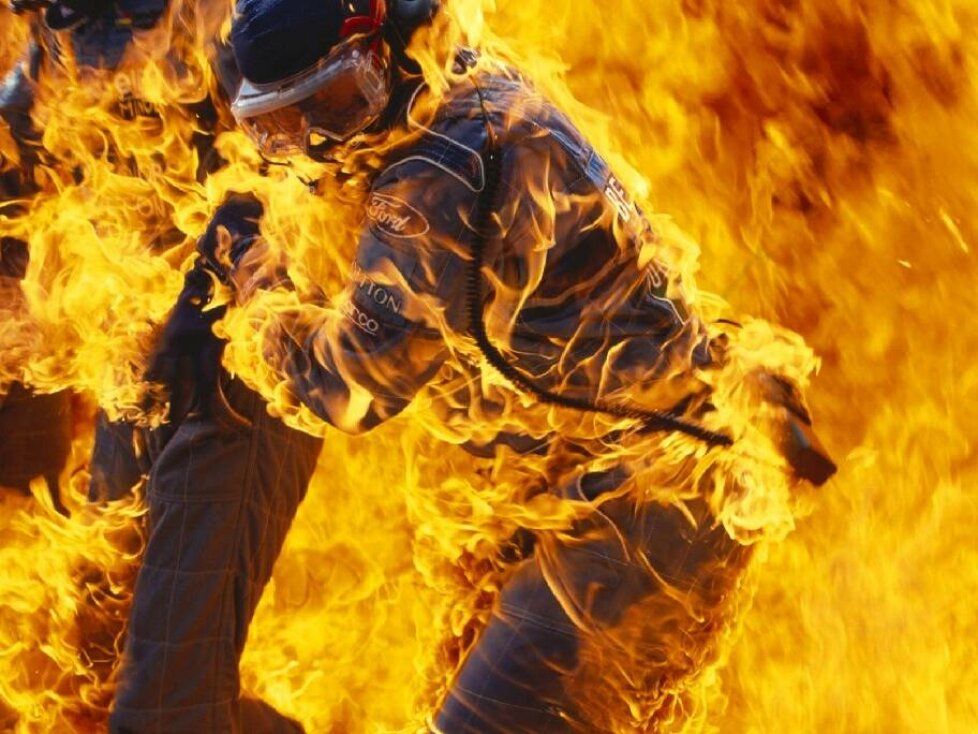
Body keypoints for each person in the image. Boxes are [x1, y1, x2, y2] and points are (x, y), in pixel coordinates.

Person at [113, 0, 836, 731]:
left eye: (335, 103)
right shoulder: (457, 87)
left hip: (648, 502)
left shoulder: (438, 172)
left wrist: (253, 297)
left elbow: (346, 391)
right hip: (595, 479)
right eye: (283, 125)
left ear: (381, 50)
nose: (317, 143)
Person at [0, 0, 241, 509]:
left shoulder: (221, 24)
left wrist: (204, 295)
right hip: (124, 312)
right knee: (110, 519)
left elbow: (280, 172)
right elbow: (22, 128)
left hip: (231, 332)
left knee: (180, 538)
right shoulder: (52, 40)